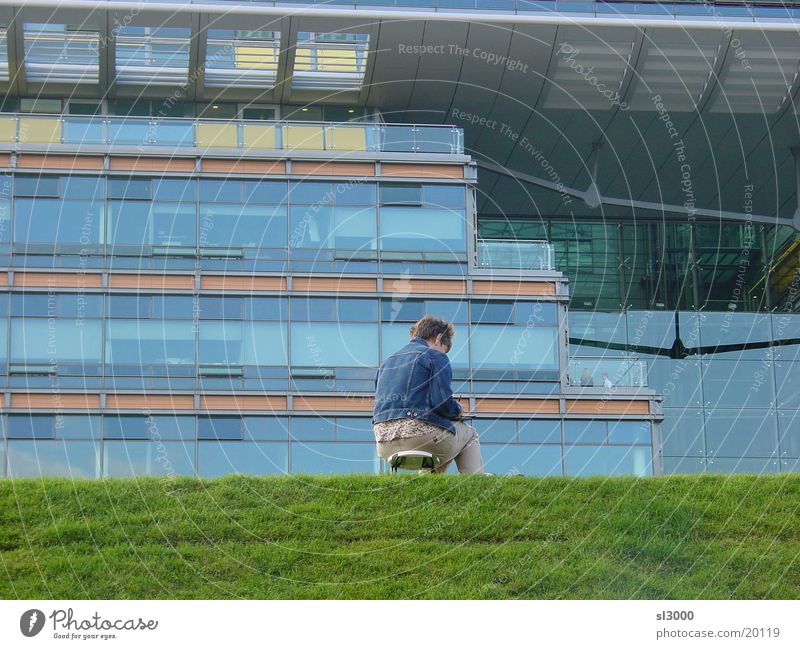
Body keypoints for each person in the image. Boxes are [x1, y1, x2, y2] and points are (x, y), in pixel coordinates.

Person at [372, 315, 484, 474]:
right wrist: (457, 410)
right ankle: (476, 483)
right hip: (420, 437)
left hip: (383, 442)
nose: (443, 353)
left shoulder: (386, 363)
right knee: (469, 433)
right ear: (438, 338)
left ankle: (430, 488)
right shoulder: (436, 356)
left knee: (444, 433)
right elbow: (441, 402)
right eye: (444, 348)